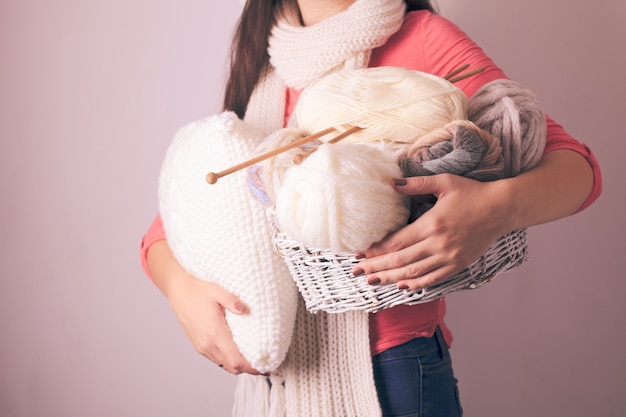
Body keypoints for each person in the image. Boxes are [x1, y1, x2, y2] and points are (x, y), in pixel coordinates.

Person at [140, 0, 602, 416]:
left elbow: (579, 169)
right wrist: (181, 288)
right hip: (274, 380)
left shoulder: (422, 37)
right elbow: (180, 218)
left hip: (391, 374)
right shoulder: (259, 63)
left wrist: (493, 209)